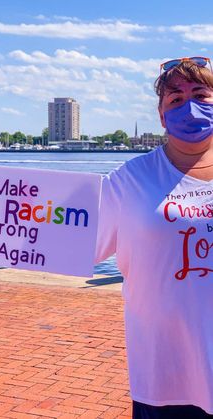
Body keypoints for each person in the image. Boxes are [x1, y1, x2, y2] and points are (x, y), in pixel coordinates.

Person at [95, 57, 213, 418]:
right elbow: (63, 238)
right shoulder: (128, 180)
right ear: (162, 117)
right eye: (175, 99)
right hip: (165, 375)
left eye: (201, 94)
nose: (189, 106)